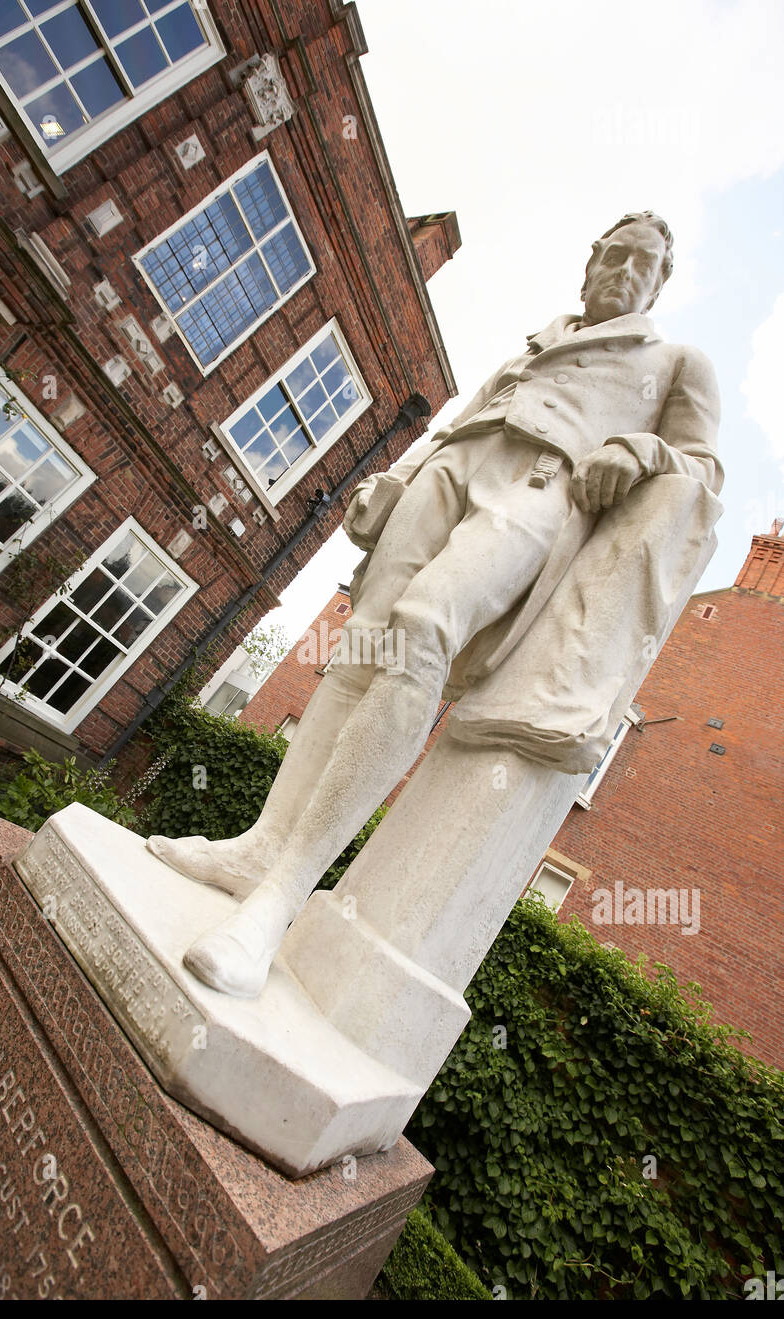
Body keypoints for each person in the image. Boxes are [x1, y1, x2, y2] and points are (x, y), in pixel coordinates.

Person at [147, 211, 723, 999]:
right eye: (615, 256)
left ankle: (280, 898)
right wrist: (401, 474)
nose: (625, 273)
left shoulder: (677, 361)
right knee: (364, 645)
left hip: (542, 488)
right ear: (589, 264)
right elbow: (462, 416)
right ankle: (259, 850)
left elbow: (703, 467)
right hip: (454, 468)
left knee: (423, 635)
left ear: (660, 283)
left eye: (644, 265)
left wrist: (639, 448)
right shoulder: (540, 337)